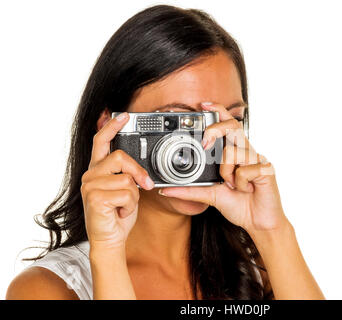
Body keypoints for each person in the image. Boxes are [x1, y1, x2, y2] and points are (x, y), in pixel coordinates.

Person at [6, 5, 324, 300]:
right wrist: (107, 253)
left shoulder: (259, 272)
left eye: (228, 119)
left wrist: (272, 231)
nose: (198, 147)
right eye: (176, 120)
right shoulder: (45, 289)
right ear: (110, 126)